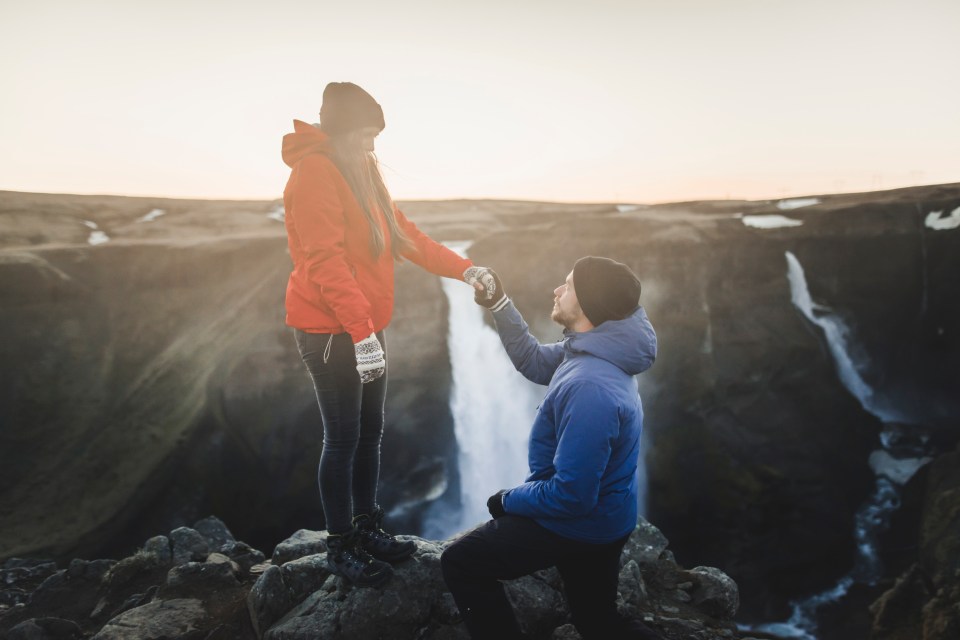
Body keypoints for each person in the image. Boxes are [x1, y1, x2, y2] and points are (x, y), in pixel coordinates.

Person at [281, 82, 497, 587]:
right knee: (343, 438)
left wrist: (465, 269)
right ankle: (340, 547)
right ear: (339, 130)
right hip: (331, 331)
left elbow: (407, 237)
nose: (372, 146)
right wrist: (361, 335)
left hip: (363, 329)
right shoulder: (315, 172)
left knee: (370, 434)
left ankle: (366, 527)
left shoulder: (363, 174)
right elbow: (325, 263)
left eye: (376, 135)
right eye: (365, 134)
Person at [442, 257, 661, 639]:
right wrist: (499, 304)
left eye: (569, 285)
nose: (557, 290)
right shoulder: (593, 351)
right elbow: (531, 360)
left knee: (462, 561)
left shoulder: (591, 387)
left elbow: (572, 497)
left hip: (579, 524)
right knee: (597, 621)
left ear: (590, 305)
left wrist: (508, 500)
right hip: (609, 516)